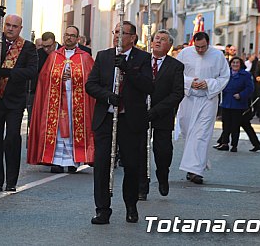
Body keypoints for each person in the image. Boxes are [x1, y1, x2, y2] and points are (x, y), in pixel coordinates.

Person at [85, 21, 154, 224]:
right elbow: (91, 84)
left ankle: (131, 205)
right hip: (106, 118)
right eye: (115, 32)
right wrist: (107, 96)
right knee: (102, 165)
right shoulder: (104, 56)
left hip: (129, 119)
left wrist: (128, 70)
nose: (117, 36)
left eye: (122, 33)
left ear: (133, 37)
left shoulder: (143, 58)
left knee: (132, 165)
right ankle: (102, 209)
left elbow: (149, 86)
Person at [28, 26, 95, 173]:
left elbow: (91, 79)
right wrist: (59, 77)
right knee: (57, 129)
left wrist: (75, 77)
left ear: (77, 39)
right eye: (66, 35)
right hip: (56, 100)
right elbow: (44, 78)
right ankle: (55, 161)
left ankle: (73, 161)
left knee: (73, 128)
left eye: (72, 35)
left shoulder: (85, 57)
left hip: (77, 102)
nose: (69, 38)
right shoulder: (54, 56)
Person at [0, 14, 37, 192]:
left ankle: (12, 180)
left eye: (14, 26)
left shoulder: (27, 47)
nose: (10, 29)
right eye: (8, 25)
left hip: (14, 100)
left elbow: (31, 71)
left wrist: (8, 72)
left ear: (20, 28)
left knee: (12, 137)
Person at [176, 32, 229, 185]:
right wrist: (190, 82)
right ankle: (194, 165)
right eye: (197, 47)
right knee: (189, 133)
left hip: (208, 99)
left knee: (201, 134)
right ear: (193, 43)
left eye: (203, 47)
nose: (200, 50)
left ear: (208, 43)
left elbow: (224, 77)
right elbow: (176, 74)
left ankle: (195, 171)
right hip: (189, 99)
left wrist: (208, 84)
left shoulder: (218, 56)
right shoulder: (185, 54)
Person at [137, 29, 184, 200]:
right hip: (141, 112)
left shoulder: (175, 66)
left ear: (169, 46)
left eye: (163, 40)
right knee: (141, 149)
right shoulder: (142, 61)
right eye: (156, 38)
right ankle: (142, 186)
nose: (158, 41)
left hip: (162, 114)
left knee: (162, 150)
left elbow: (177, 93)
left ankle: (163, 175)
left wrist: (156, 111)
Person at [214, 57, 254, 152]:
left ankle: (234, 145)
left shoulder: (245, 75)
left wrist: (241, 95)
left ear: (240, 64)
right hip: (227, 102)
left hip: (238, 104)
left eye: (237, 63)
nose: (235, 64)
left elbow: (250, 88)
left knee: (235, 126)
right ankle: (224, 143)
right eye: (233, 62)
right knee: (226, 125)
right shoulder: (226, 74)